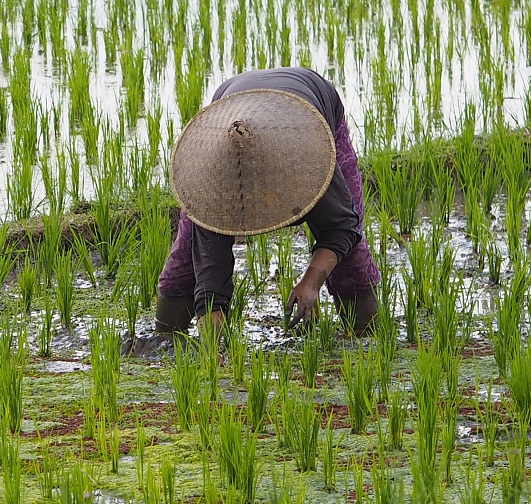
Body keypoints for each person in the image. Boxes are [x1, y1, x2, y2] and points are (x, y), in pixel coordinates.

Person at [153, 65, 380, 337]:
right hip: (230, 104)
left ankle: (365, 331)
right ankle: (165, 333)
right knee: (190, 241)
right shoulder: (212, 178)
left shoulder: (308, 154)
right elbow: (209, 261)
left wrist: (311, 283)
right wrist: (211, 326)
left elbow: (344, 225)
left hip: (308, 106)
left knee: (349, 250)